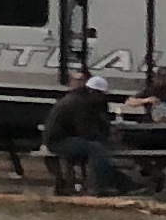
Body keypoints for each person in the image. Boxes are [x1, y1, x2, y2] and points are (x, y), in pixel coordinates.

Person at [45, 66, 130, 195]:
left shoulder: (83, 100)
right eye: (101, 94)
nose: (103, 97)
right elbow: (85, 131)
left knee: (97, 148)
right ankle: (102, 186)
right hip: (58, 141)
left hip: (68, 138)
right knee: (96, 148)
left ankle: (122, 183)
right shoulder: (78, 103)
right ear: (93, 92)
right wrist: (104, 138)